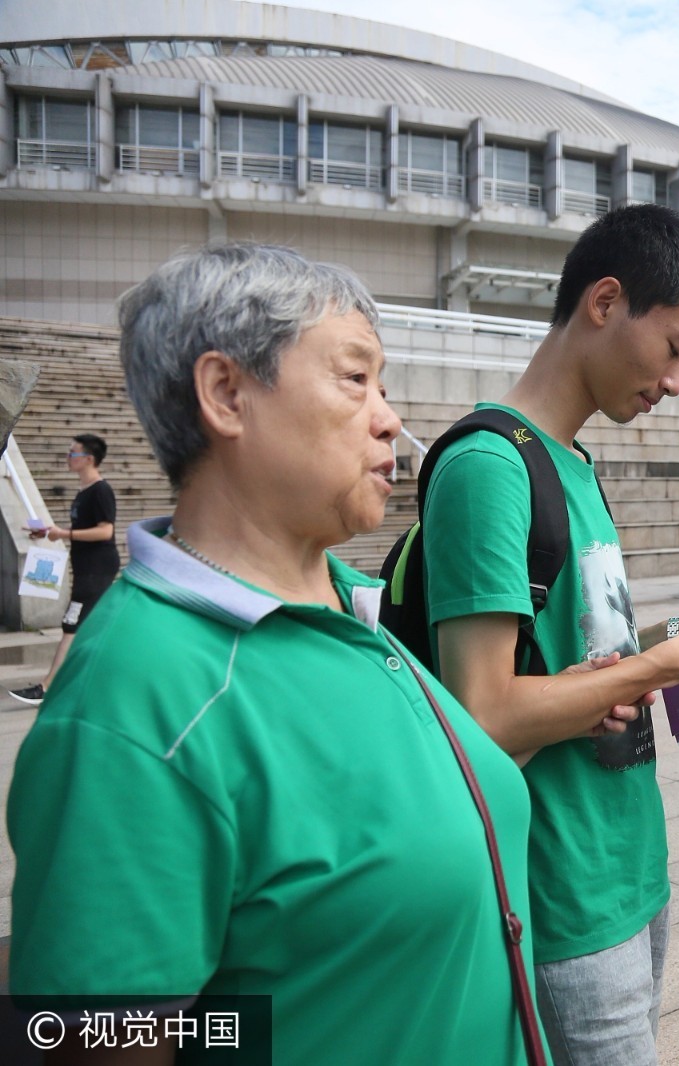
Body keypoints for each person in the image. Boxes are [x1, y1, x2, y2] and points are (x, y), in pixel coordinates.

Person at [7, 243, 553, 1063]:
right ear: (227, 394)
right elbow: (86, 1040)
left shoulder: (348, 606)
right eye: (355, 378)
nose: (390, 418)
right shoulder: (140, 701)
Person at [422, 204, 679, 1066]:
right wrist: (660, 661)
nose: (678, 379)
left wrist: (678, 633)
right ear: (607, 302)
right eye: (678, 348)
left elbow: (570, 648)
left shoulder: (570, 461)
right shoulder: (489, 468)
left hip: (630, 870)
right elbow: (484, 716)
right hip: (560, 892)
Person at [9, 433, 119, 706]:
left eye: (73, 453)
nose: (68, 457)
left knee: (72, 626)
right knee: (93, 628)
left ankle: (47, 688)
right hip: (85, 568)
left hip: (97, 568)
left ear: (89, 459)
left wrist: (63, 533)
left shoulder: (101, 491)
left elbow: (106, 531)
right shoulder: (84, 492)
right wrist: (49, 533)